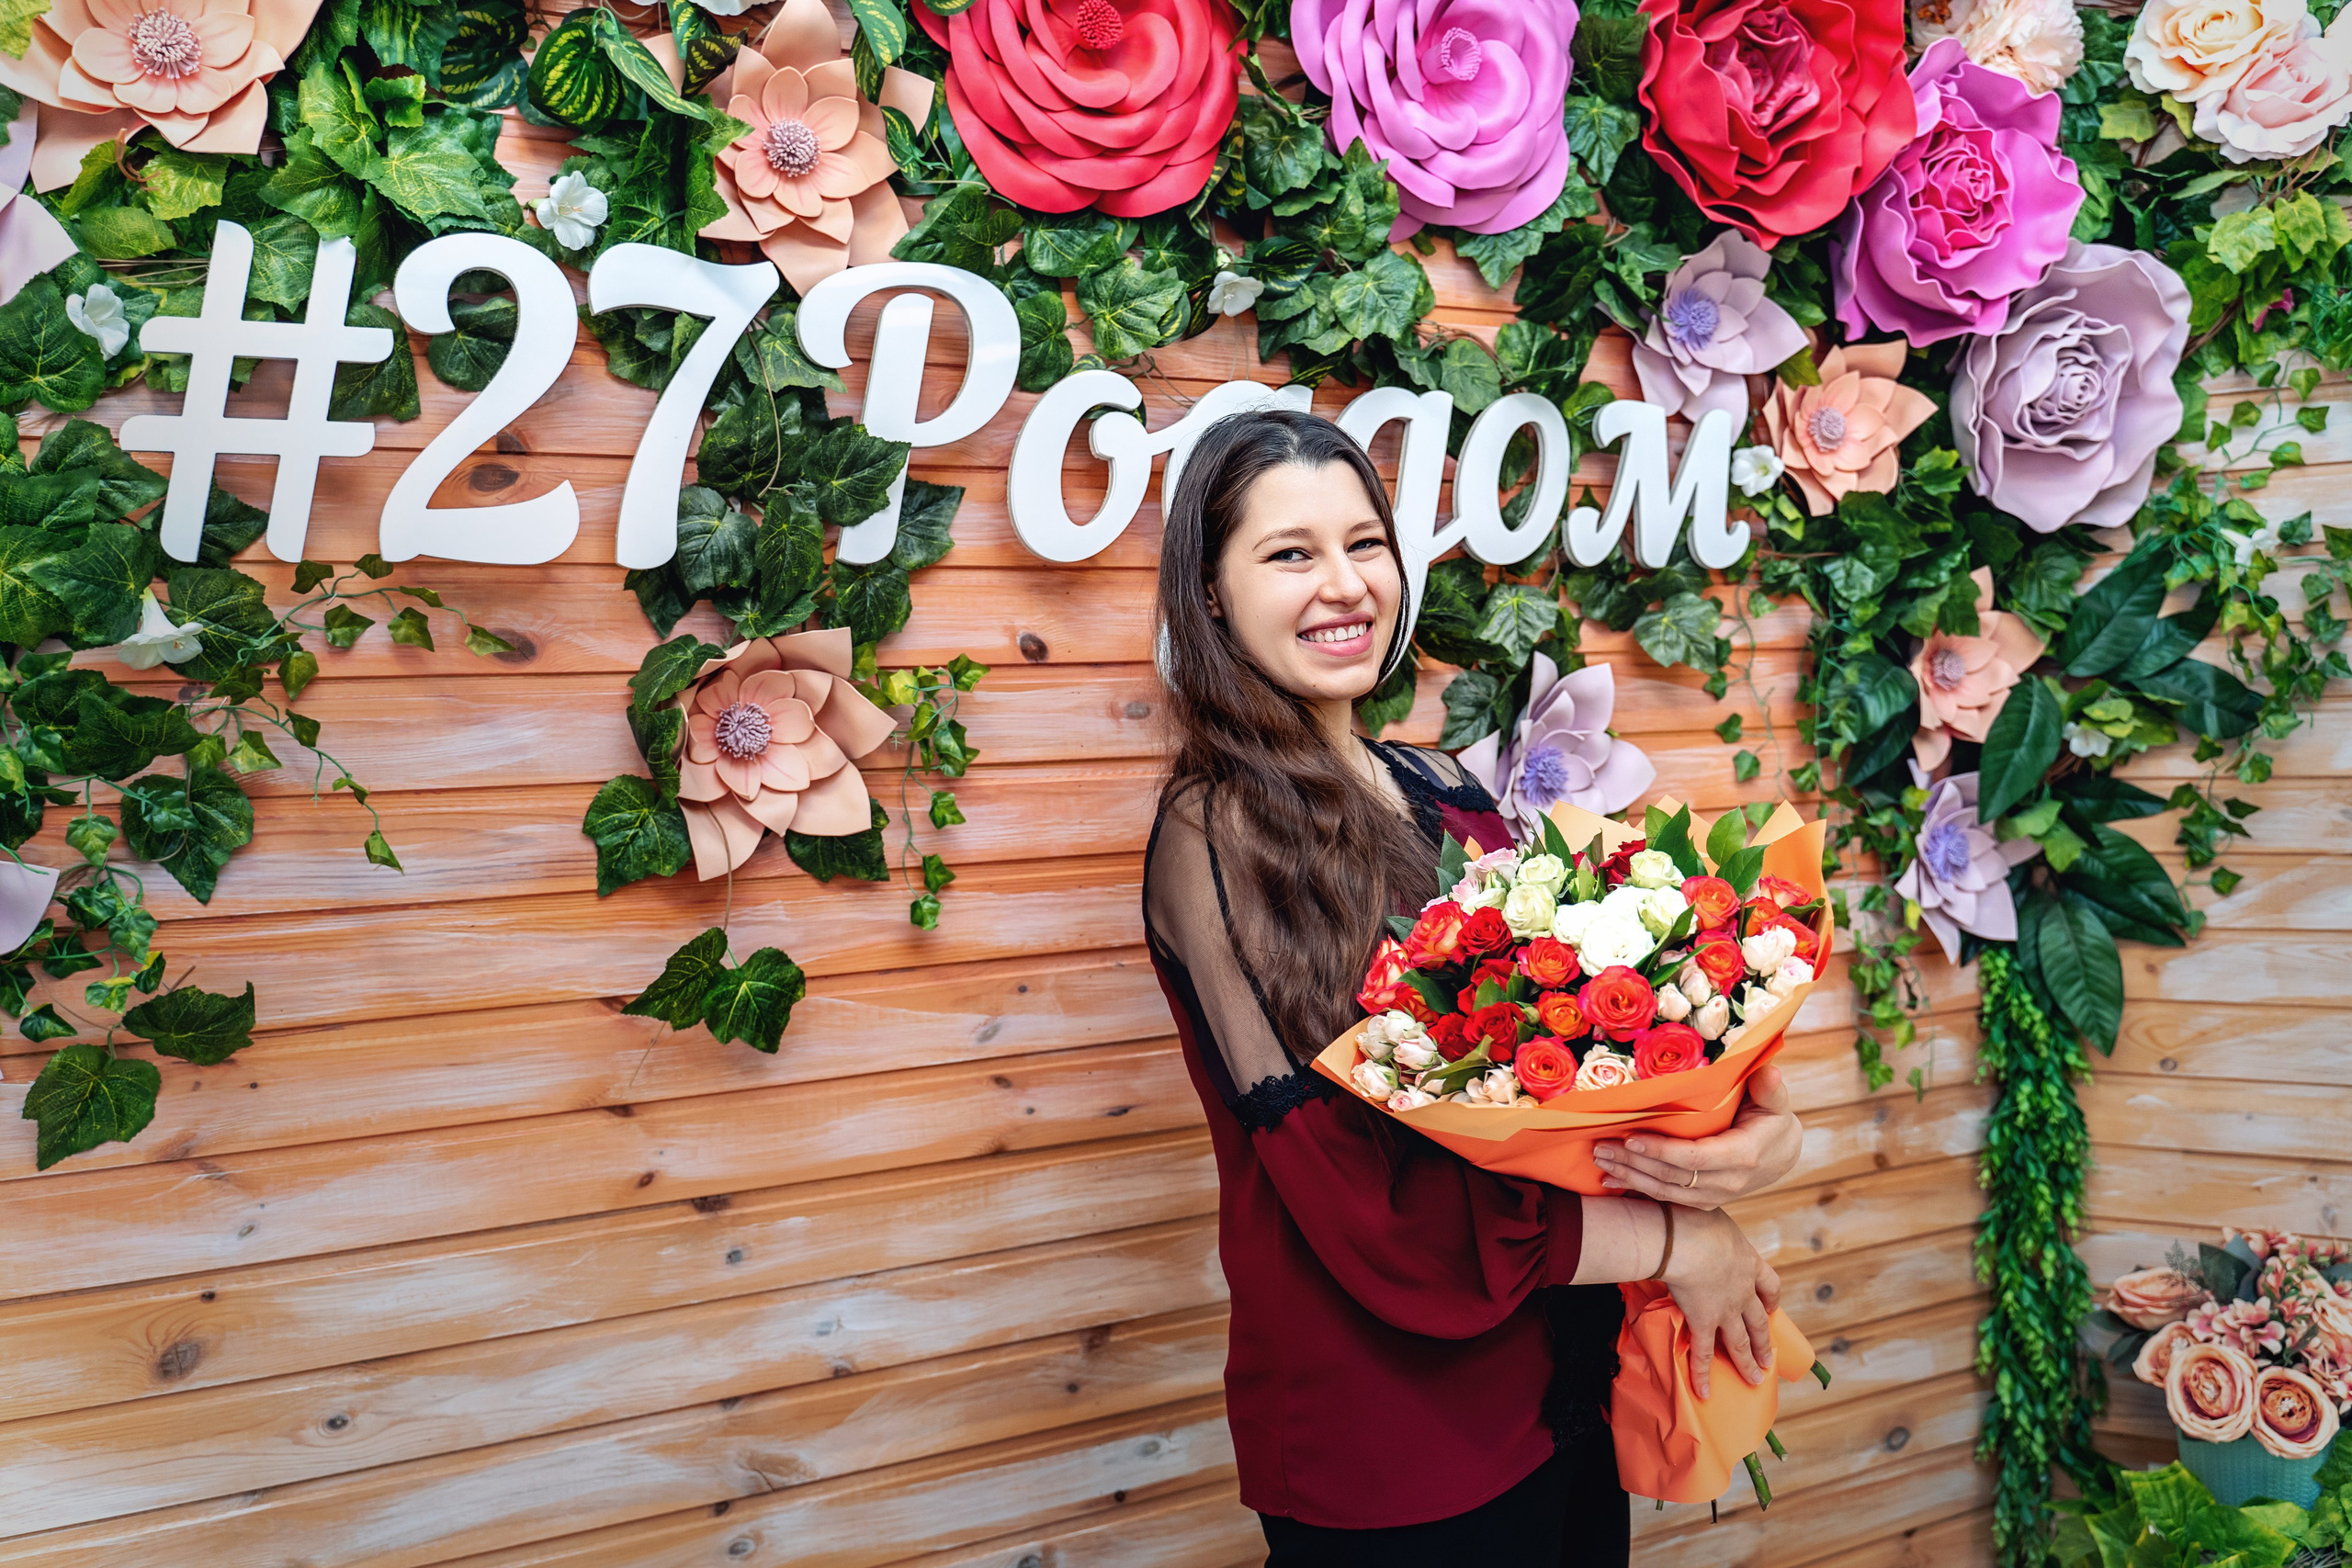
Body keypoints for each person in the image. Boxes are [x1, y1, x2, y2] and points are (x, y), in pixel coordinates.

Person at [1143, 408, 1803, 1566]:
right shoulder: (1218, 834)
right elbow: (1370, 1210)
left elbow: (1569, 1085)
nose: (1343, 585)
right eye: (1288, 554)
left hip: (1556, 1389)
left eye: (1364, 543)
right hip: (1392, 1441)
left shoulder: (1444, 787)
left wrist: (1751, 1136)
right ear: (1207, 593)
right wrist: (1671, 1242)